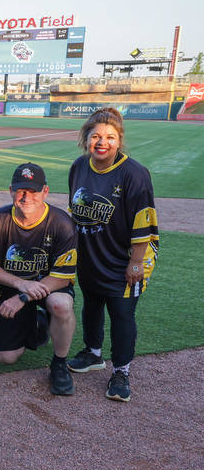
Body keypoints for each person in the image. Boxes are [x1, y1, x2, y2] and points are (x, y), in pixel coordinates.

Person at [67, 108, 159, 402]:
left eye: (109, 137)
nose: (101, 142)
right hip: (92, 252)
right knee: (91, 301)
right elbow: (74, 211)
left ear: (120, 141)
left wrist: (135, 263)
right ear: (86, 139)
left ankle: (122, 370)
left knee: (121, 313)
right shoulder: (79, 167)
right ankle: (93, 353)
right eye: (95, 136)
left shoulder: (135, 173)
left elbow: (145, 220)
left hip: (128, 255)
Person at [0, 162, 78, 396]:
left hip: (50, 287)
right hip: (13, 286)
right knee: (7, 358)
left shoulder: (62, 223)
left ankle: (60, 364)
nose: (26, 197)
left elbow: (62, 277)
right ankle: (38, 323)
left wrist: (23, 296)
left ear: (45, 191)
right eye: (21, 190)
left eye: (33, 191)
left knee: (61, 305)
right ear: (11, 190)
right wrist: (21, 285)